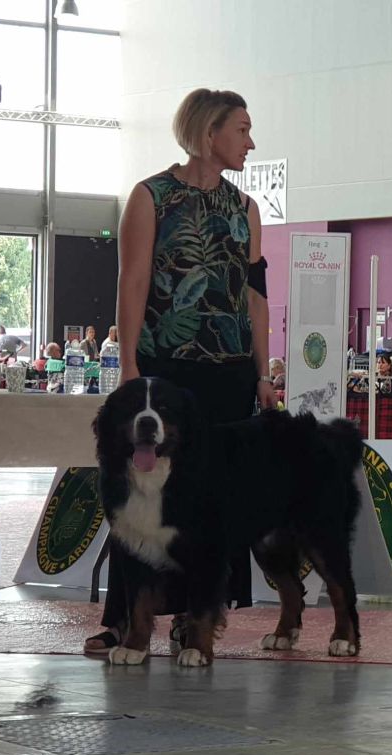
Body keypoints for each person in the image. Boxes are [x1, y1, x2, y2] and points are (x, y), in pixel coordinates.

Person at [84, 88, 277, 654]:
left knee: (211, 503)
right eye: (242, 129)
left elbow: (256, 294)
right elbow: (134, 282)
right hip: (164, 372)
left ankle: (200, 618)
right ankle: (124, 618)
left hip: (230, 372)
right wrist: (129, 365)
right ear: (208, 131)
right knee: (137, 498)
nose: (250, 141)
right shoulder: (151, 196)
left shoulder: (246, 207)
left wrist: (265, 372)